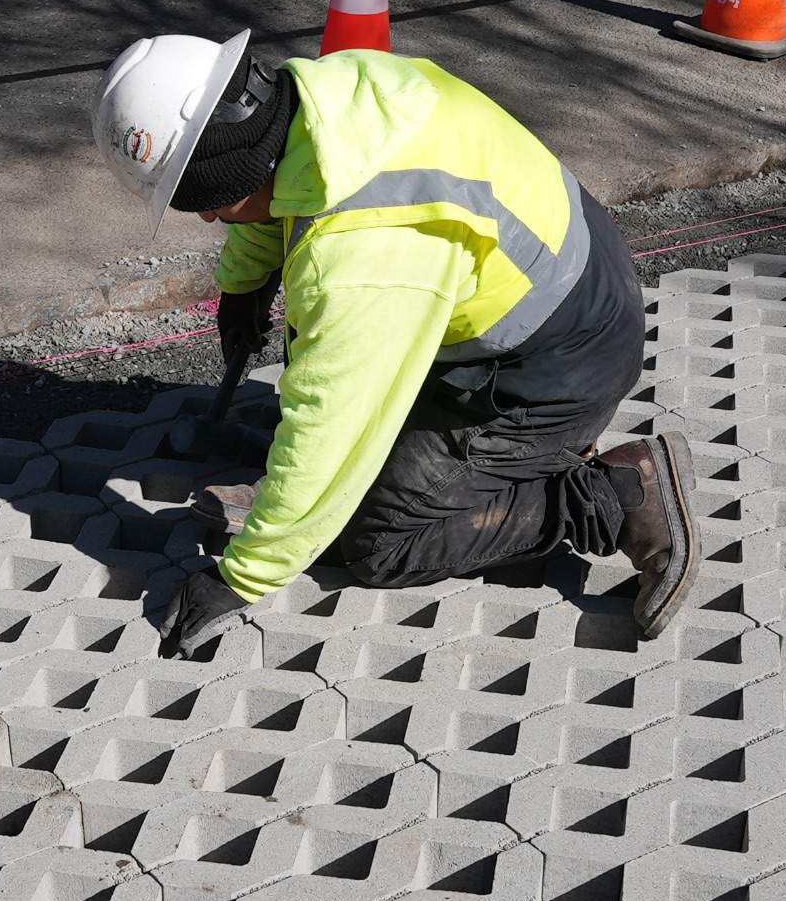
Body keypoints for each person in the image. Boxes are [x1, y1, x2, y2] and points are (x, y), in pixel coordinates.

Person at [90, 32, 699, 658]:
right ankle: (367, 495)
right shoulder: (329, 95)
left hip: (554, 367)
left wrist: (242, 579)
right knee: (335, 488)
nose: (210, 220)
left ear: (233, 167)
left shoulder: (364, 254)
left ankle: (612, 495)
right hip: (556, 275)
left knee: (382, 544)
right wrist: (242, 285)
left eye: (206, 203)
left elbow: (335, 421)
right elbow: (280, 192)